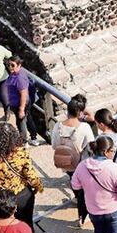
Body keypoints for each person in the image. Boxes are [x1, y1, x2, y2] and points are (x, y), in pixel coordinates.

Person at [0, 122, 44, 226]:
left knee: (5, 225)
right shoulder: (21, 153)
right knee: (26, 223)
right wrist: (39, 187)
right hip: (21, 196)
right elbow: (30, 175)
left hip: (0, 197)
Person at [52, 94, 96, 225]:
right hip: (79, 164)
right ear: (80, 112)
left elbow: (54, 145)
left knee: (73, 180)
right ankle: (83, 216)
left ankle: (76, 197)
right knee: (84, 191)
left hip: (65, 162)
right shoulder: (84, 127)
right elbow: (91, 146)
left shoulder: (58, 126)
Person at [3, 57, 42, 145]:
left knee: (20, 123)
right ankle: (33, 137)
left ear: (19, 65)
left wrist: (21, 109)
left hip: (20, 104)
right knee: (28, 119)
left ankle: (24, 141)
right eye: (8, 65)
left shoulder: (19, 78)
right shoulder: (18, 73)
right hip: (20, 103)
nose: (10, 67)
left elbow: (23, 94)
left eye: (13, 65)